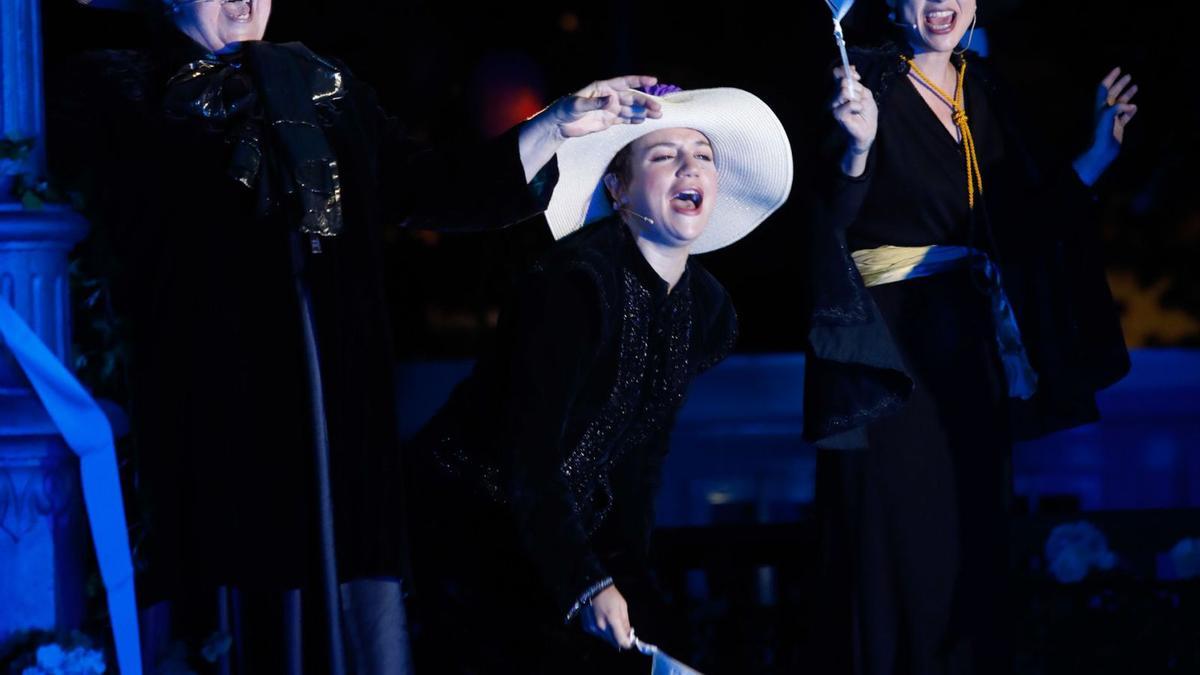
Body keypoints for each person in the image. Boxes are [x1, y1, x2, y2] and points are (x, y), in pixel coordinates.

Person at [49, 0, 665, 671]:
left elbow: (435, 187)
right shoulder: (118, 92)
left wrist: (558, 124)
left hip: (333, 430)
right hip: (210, 422)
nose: (246, 2)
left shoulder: (322, 87)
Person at [404, 86, 793, 673]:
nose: (690, 167)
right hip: (463, 526)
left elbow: (637, 463)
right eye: (664, 156)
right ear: (618, 187)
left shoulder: (705, 310)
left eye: (703, 155)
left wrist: (628, 583)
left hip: (551, 540)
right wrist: (585, 583)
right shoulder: (575, 284)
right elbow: (527, 453)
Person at [803, 1, 1138, 673]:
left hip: (968, 349)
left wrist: (1096, 158)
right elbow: (823, 221)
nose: (940, 3)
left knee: (974, 554)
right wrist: (858, 149)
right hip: (891, 358)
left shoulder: (982, 88)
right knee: (898, 554)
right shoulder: (860, 83)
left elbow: (1019, 229)